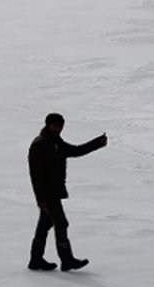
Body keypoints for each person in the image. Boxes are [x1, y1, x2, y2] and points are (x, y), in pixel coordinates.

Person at [27, 113, 107, 271]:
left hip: (54, 191)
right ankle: (66, 259)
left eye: (61, 126)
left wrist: (97, 143)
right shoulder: (40, 144)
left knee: (45, 225)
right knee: (61, 223)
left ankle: (36, 260)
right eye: (55, 125)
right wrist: (41, 199)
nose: (59, 129)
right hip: (48, 194)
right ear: (48, 125)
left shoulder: (56, 142)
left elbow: (75, 151)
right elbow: (35, 175)